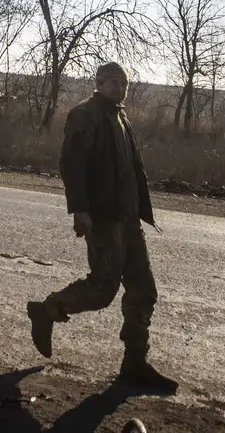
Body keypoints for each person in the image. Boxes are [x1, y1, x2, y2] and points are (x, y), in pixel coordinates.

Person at [26, 61, 178, 393]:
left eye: (122, 83)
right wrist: (80, 210)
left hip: (128, 219)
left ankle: (134, 364)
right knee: (101, 291)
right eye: (111, 82)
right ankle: (48, 310)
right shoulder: (85, 114)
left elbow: (131, 168)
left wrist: (140, 210)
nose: (117, 87)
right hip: (104, 219)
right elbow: (72, 163)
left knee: (143, 291)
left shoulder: (121, 117)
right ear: (98, 83)